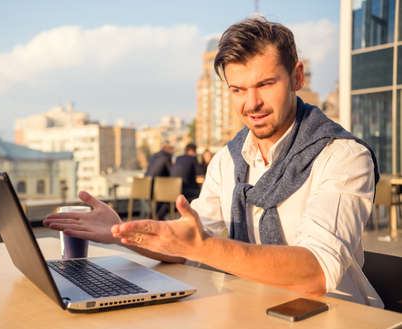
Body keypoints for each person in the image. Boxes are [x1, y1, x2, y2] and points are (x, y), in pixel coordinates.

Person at [43, 17, 383, 308]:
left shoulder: (343, 156)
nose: (252, 103)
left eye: (265, 84)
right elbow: (189, 241)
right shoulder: (228, 160)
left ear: (297, 77)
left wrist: (203, 247)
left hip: (340, 318)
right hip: (253, 312)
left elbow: (315, 272)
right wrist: (124, 234)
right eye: (237, 90)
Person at [145, 142, 174, 219]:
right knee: (171, 195)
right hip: (158, 188)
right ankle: (159, 218)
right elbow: (172, 172)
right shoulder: (167, 156)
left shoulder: (153, 156)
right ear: (166, 149)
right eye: (171, 149)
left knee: (161, 197)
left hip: (146, 186)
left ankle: (152, 215)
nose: (173, 151)